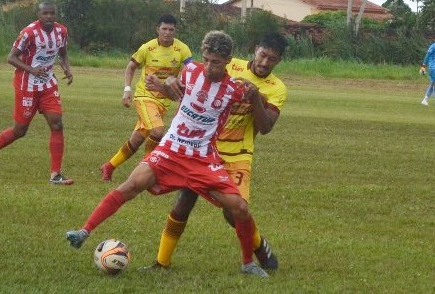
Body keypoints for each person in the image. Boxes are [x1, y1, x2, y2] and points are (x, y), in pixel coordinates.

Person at [66, 31, 269, 278]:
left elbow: (264, 108)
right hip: (171, 149)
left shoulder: (233, 89)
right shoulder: (191, 70)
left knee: (239, 208)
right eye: (205, 59)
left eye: (215, 62)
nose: (208, 66)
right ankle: (84, 232)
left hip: (202, 158)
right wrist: (164, 85)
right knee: (131, 185)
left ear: (227, 60)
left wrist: (257, 95)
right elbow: (175, 91)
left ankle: (248, 264)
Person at [141, 33, 288, 271]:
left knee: (234, 212)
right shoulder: (230, 64)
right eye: (262, 55)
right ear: (255, 49)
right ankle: (161, 262)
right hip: (205, 149)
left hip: (239, 154)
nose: (264, 62)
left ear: (278, 61)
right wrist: (168, 81)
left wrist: (255, 100)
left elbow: (266, 127)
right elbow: (190, 81)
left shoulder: (277, 88)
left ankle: (259, 246)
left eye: (272, 59)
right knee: (184, 202)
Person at [0, 1, 74, 185]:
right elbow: (11, 57)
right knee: (20, 130)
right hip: (27, 86)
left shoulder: (61, 31)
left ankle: (55, 175)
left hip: (48, 84)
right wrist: (31, 69)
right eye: (45, 13)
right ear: (38, 15)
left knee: (57, 124)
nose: (49, 17)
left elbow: (62, 53)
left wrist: (66, 68)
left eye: (52, 14)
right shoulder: (29, 33)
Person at [100, 14, 193, 181]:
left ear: (175, 31)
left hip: (163, 101)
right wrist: (127, 90)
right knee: (157, 131)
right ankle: (147, 170)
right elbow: (130, 67)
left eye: (171, 30)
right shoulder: (147, 48)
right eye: (164, 29)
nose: (167, 33)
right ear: (158, 29)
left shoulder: (182, 49)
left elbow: (191, 69)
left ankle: (108, 166)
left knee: (136, 141)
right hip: (144, 97)